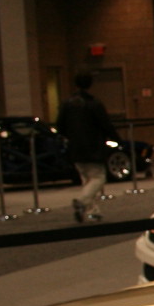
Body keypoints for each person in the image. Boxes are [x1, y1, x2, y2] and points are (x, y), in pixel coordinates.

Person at [55, 71, 118, 222]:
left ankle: (93, 211)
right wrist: (117, 139)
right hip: (93, 147)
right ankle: (81, 201)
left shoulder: (66, 104)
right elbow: (105, 124)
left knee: (86, 180)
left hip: (75, 148)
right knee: (98, 178)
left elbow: (60, 126)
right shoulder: (94, 103)